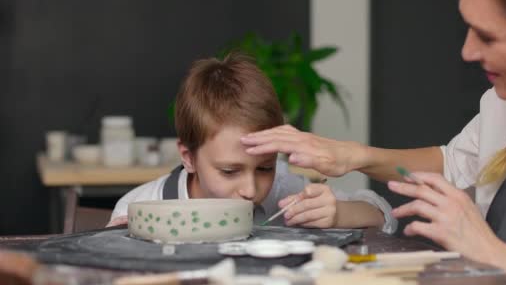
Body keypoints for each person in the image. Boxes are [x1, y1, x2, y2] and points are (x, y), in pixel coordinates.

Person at [240, 0, 506, 283]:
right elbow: (456, 165)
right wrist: (353, 156)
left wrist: (486, 248)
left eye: (488, 36)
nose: (467, 51)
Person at [108, 54, 397, 234]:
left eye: (264, 168)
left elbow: (383, 215)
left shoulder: (284, 192)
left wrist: (337, 214)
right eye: (229, 171)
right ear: (189, 157)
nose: (250, 190)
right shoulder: (138, 209)